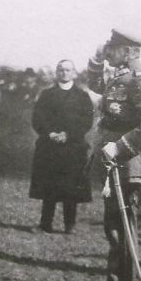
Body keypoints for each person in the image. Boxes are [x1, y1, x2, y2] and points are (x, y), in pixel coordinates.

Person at [87, 29, 141, 281]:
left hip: (128, 163)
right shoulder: (120, 75)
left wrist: (120, 147)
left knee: (122, 231)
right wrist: (96, 60)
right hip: (114, 163)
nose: (109, 51)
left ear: (129, 51)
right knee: (114, 229)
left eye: (113, 47)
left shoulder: (140, 78)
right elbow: (97, 85)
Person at [29, 59, 94, 234]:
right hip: (50, 147)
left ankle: (69, 225)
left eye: (68, 70)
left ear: (74, 73)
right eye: (61, 70)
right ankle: (45, 224)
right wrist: (49, 133)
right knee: (49, 187)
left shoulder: (82, 96)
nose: (64, 73)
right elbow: (37, 118)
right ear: (57, 72)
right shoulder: (46, 94)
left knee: (70, 187)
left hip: (73, 148)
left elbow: (87, 121)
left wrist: (68, 135)